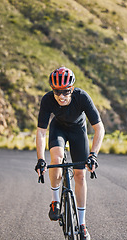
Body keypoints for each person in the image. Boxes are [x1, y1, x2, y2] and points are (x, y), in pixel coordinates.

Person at [35, 67, 105, 240]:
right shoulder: (47, 100)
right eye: (57, 92)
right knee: (56, 159)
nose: (61, 96)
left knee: (80, 175)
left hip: (78, 131)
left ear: (72, 89)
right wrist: (40, 160)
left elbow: (99, 128)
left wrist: (93, 155)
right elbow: (41, 132)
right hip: (58, 129)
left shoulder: (82, 97)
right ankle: (55, 201)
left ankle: (82, 225)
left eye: (65, 92)